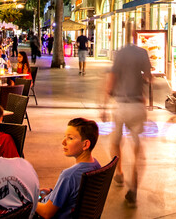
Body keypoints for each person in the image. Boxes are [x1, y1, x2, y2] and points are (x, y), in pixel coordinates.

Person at [105, 24, 151, 207]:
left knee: (116, 142)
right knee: (137, 146)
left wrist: (105, 100)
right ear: (135, 34)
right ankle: (134, 188)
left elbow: (112, 77)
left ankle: (119, 172)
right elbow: (149, 76)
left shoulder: (120, 54)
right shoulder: (143, 53)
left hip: (121, 105)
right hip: (137, 104)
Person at [36, 118, 101, 219]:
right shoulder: (96, 166)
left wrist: (29, 199)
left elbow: (46, 212)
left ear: (85, 144)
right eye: (65, 137)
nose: (63, 142)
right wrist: (53, 193)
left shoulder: (69, 175)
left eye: (70, 138)